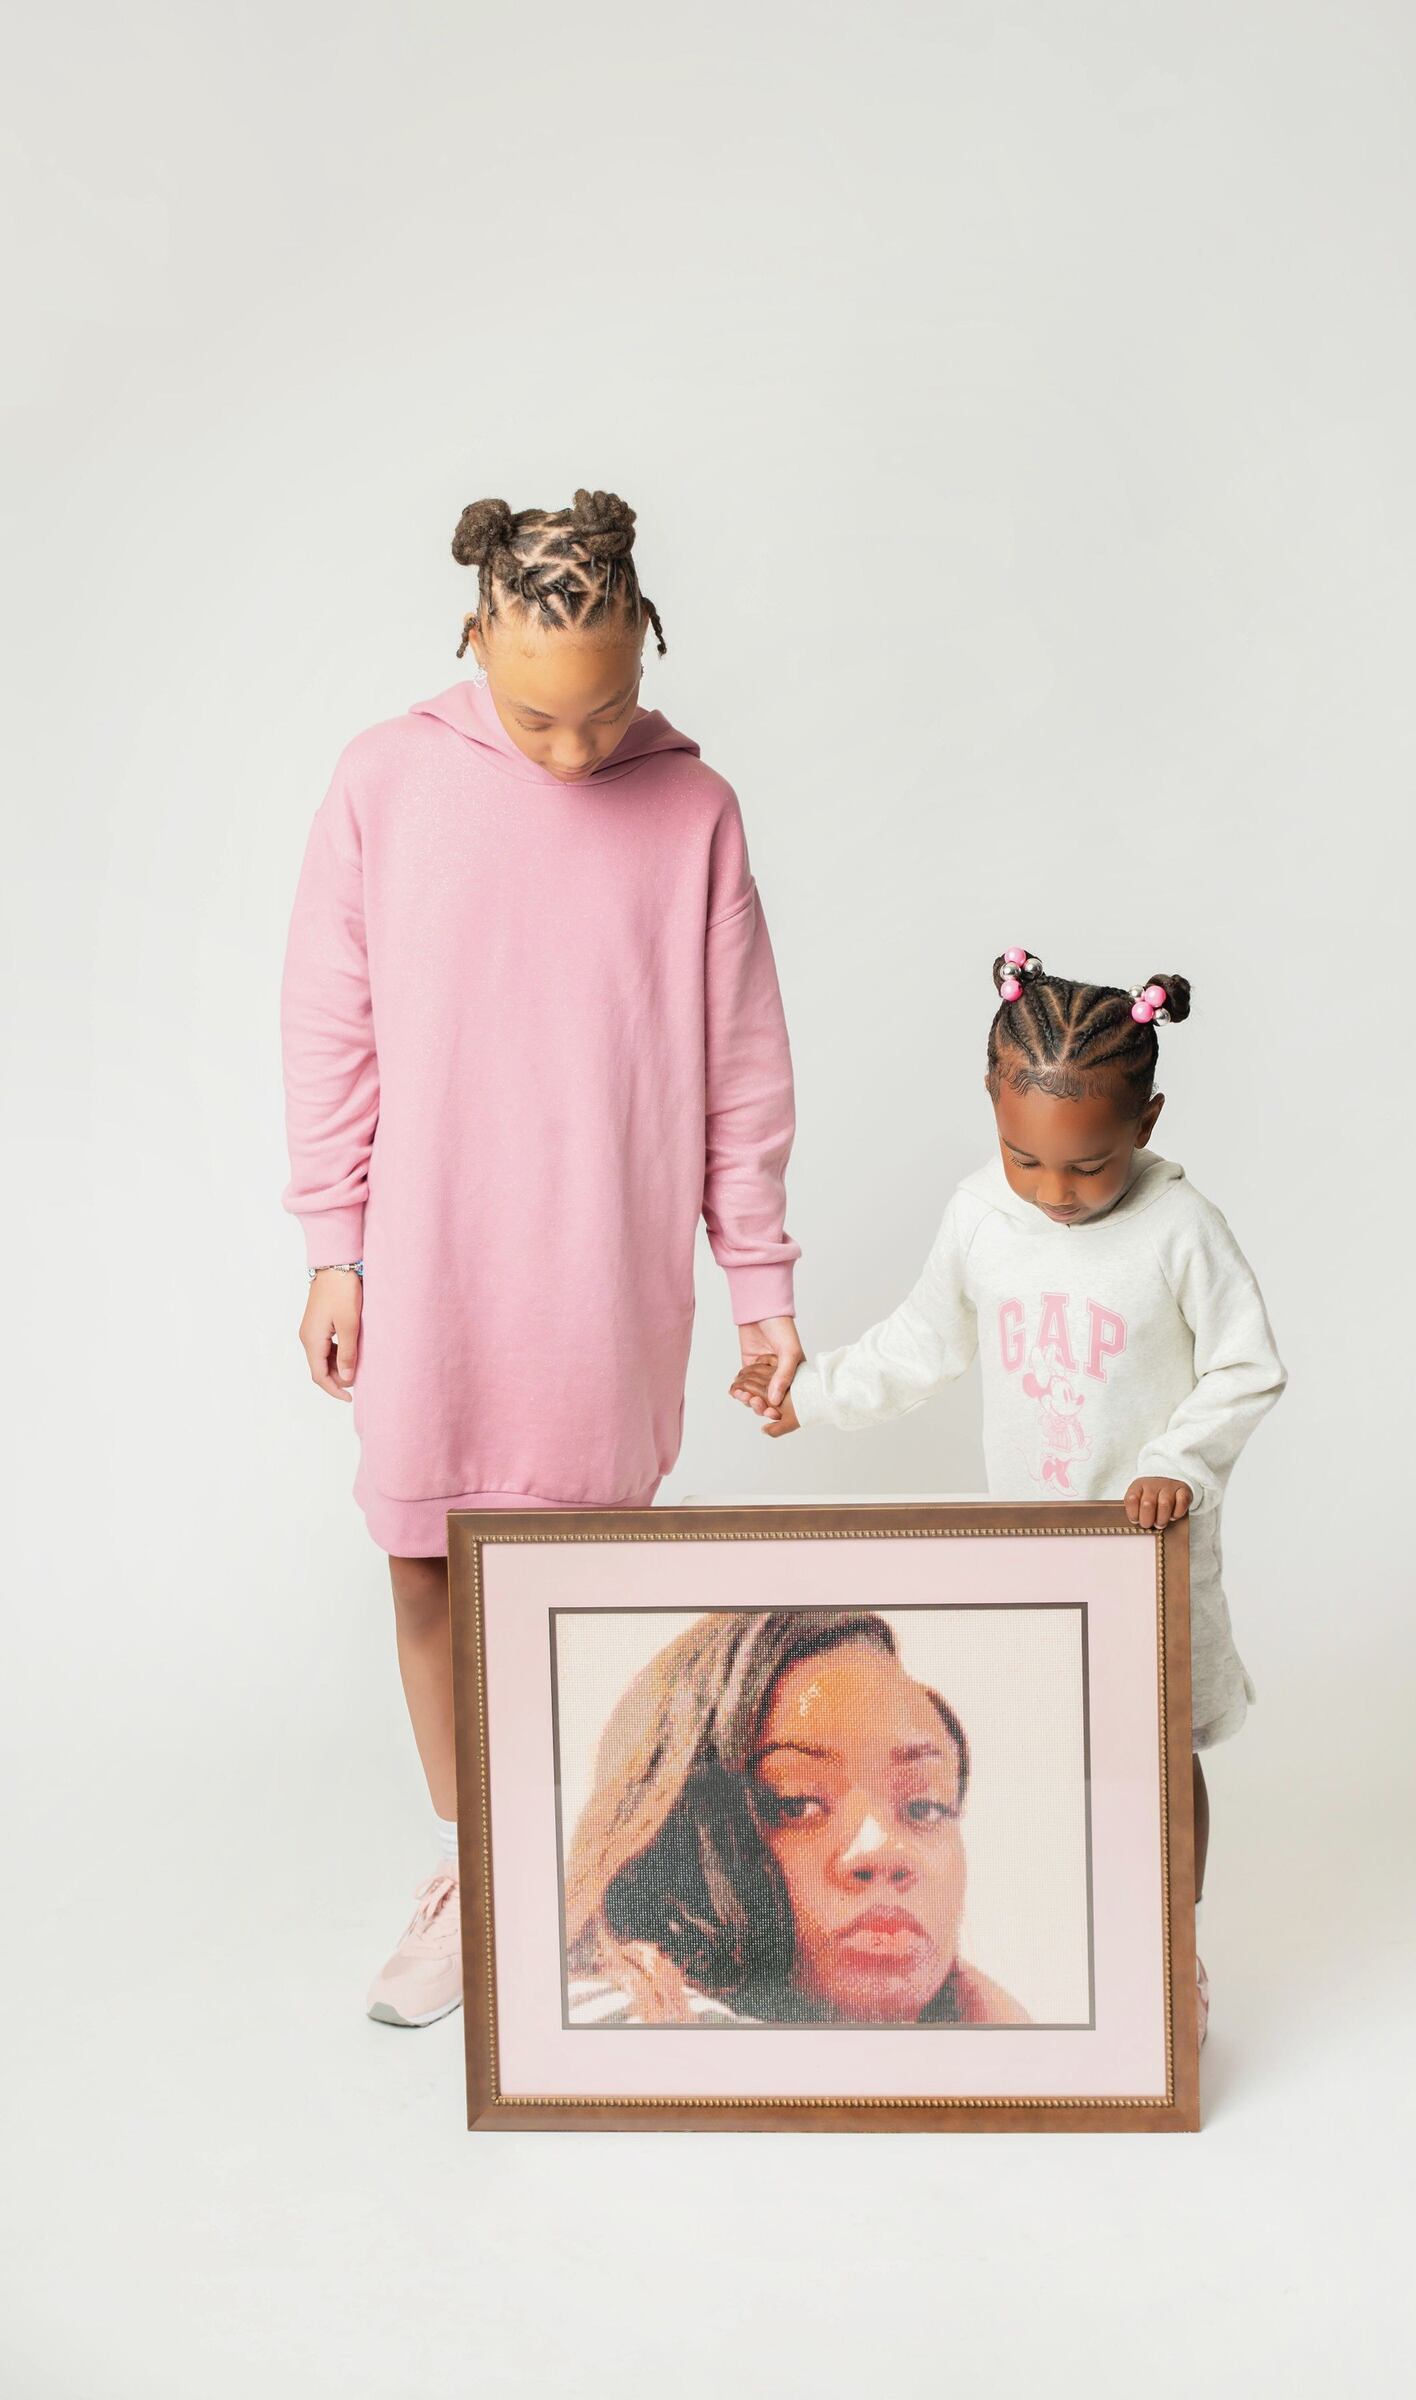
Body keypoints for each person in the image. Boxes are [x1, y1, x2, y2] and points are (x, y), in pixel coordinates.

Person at [280, 489, 803, 2028]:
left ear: (647, 642)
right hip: (430, 1261)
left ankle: (587, 1879)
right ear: (472, 638)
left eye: (604, 713)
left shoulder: (695, 813)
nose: (572, 752)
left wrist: (758, 1280)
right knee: (430, 1564)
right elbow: (331, 1027)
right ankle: (476, 1868)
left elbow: (742, 1064)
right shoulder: (386, 782)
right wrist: (333, 1247)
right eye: (532, 716)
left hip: (599, 1274)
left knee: (588, 1584)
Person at [733, 954, 1288, 2041]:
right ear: (991, 1115)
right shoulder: (982, 1217)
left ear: (1147, 1119)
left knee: (1158, 1743)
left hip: (1147, 1543)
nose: (1055, 1191)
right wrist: (814, 1392)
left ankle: (1176, 1935)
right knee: (1057, 1741)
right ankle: (1080, 1938)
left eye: (1088, 1165)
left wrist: (1175, 1461)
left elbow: (1245, 1365)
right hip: (1033, 1547)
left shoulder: (1179, 1230)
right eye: (1024, 1157)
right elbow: (920, 1343)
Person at [564, 1609, 1030, 2026]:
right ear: (678, 1844)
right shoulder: (627, 2019)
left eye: (924, 1807)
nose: (885, 1849)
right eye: (797, 1804)